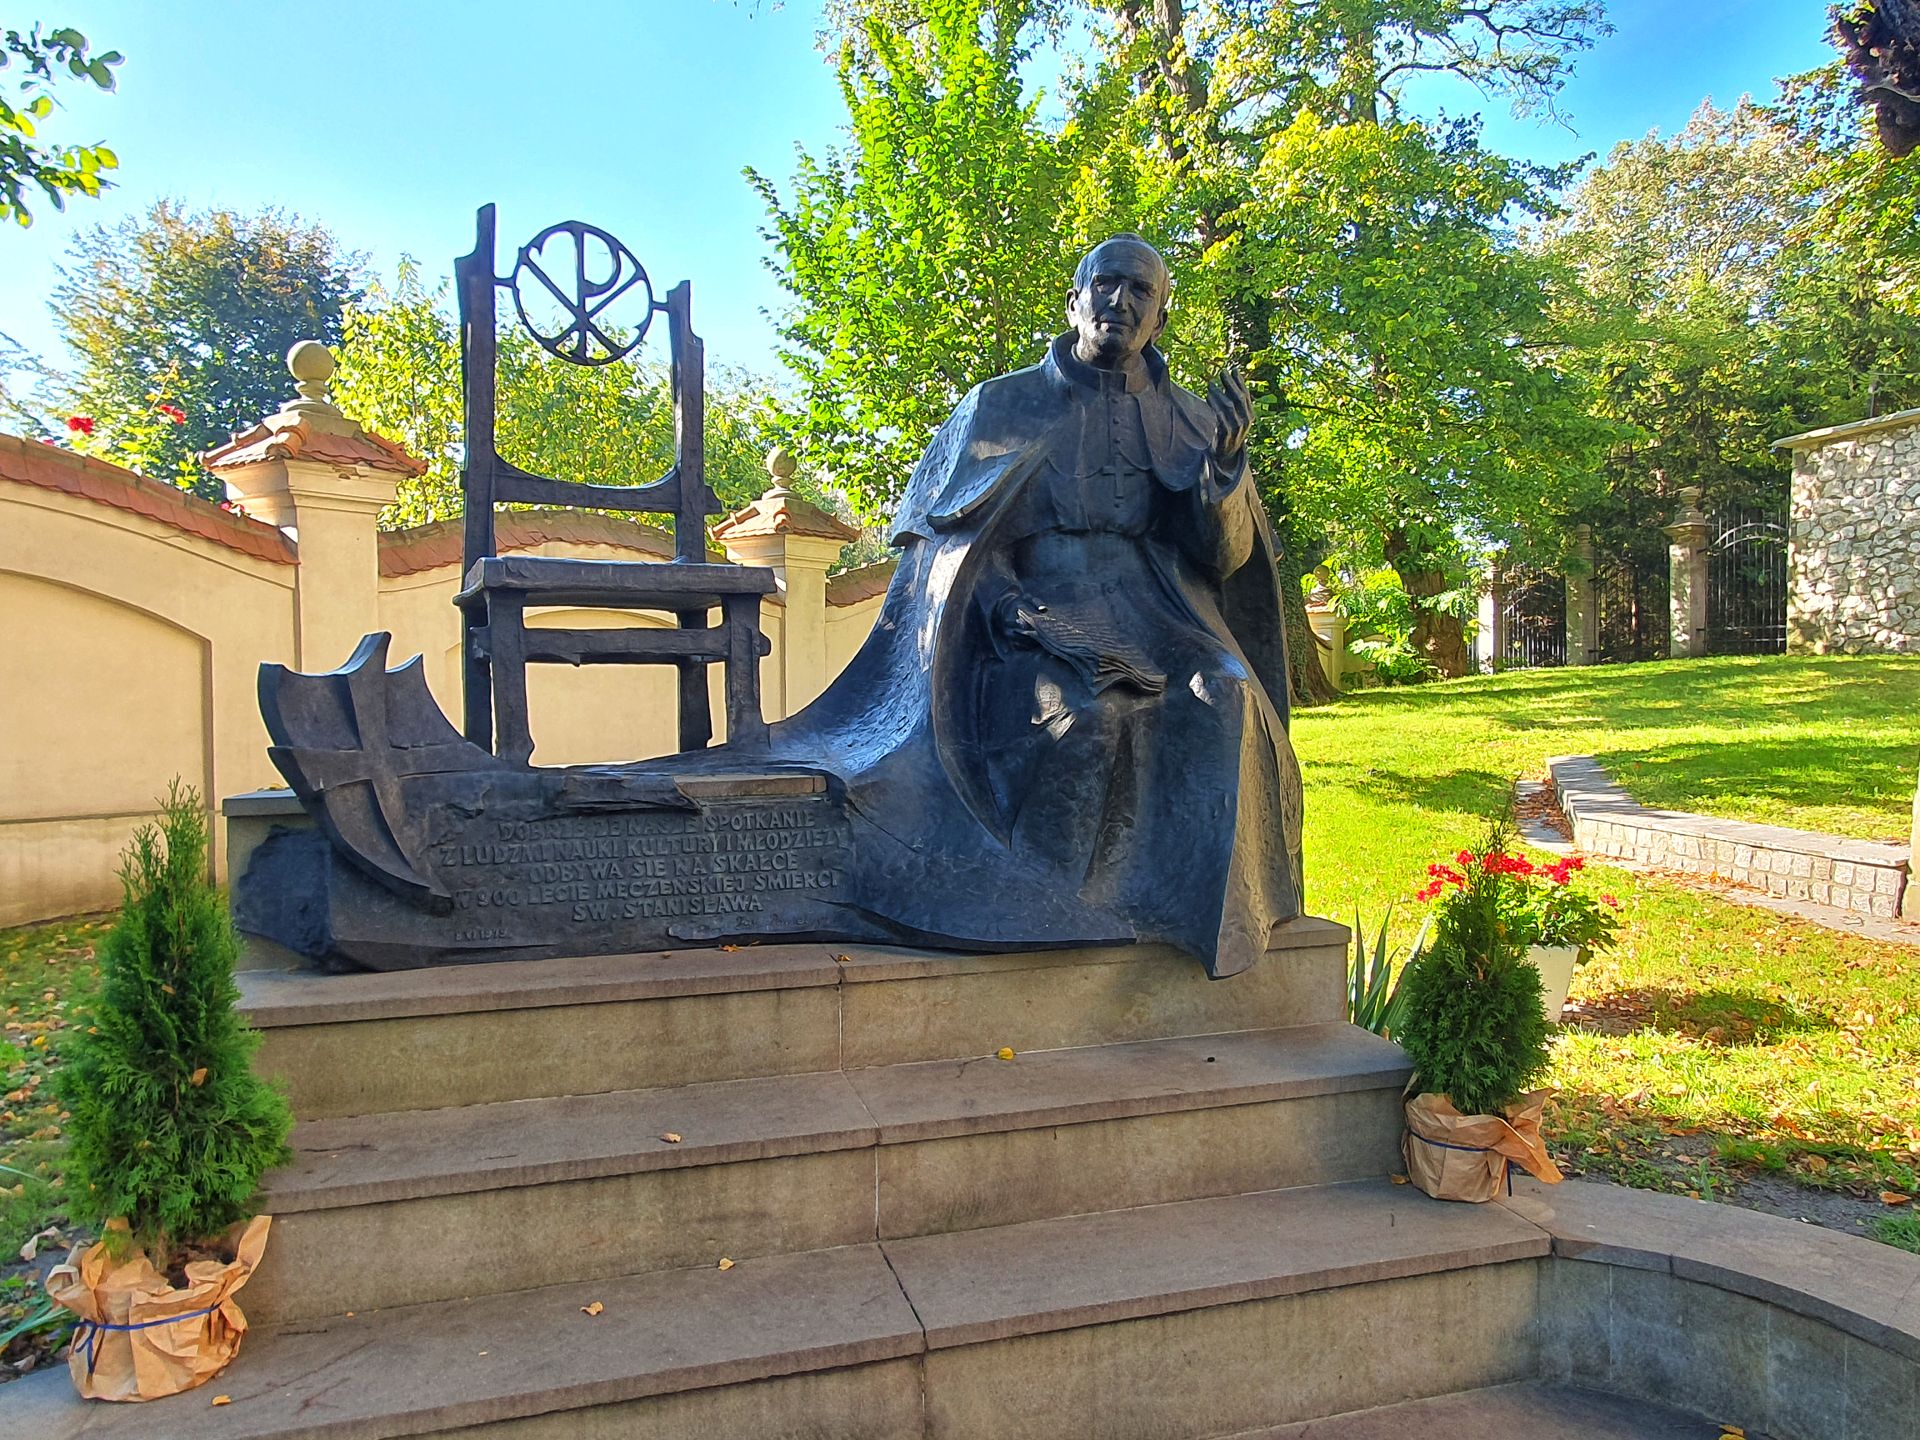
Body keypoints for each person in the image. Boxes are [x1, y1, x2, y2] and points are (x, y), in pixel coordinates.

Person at [755, 234, 1304, 977]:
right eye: (1105, 284)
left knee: (1224, 693)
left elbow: (1221, 559)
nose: (1120, 301)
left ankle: (1203, 920)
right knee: (1086, 716)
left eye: (1140, 291)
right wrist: (1018, 611)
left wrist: (1224, 471)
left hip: (1159, 608)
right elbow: (948, 548)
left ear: (1160, 318)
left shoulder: (1192, 419)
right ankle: (1047, 916)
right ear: (1075, 301)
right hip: (1028, 610)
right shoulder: (1001, 405)